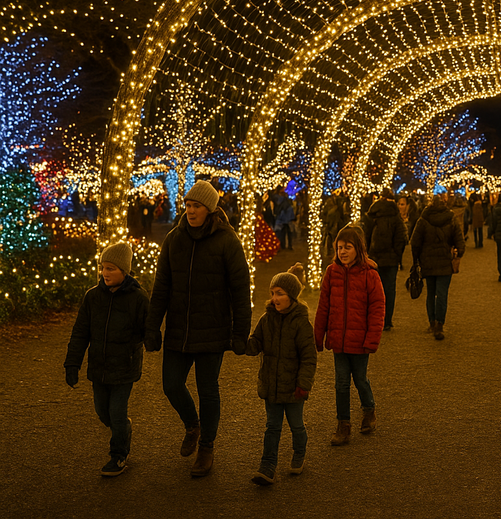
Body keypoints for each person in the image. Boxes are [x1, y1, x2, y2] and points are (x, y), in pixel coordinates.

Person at [145, 180, 252, 477]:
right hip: (179, 327)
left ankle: (207, 446)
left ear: (210, 209)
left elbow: (241, 289)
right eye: (188, 206)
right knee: (171, 385)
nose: (191, 211)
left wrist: (240, 332)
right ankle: (193, 425)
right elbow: (162, 287)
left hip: (213, 329)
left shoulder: (227, 241)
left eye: (197, 206)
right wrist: (152, 327)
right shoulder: (173, 239)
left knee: (208, 390)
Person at [64, 242, 149, 477]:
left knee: (117, 412)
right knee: (103, 412)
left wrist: (151, 340)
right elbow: (80, 332)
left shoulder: (138, 298)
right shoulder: (92, 297)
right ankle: (123, 430)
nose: (105, 273)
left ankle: (118, 455)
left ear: (124, 270)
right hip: (99, 367)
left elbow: (148, 329)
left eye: (111, 268)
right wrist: (72, 363)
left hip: (124, 367)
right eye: (103, 267)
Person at [314, 226, 385, 446]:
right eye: (340, 247)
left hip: (360, 340)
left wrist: (372, 339)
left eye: (348, 247)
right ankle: (343, 424)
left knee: (360, 379)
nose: (343, 251)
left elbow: (377, 308)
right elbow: (324, 305)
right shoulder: (331, 272)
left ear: (358, 249)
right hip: (339, 339)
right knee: (341, 383)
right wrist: (318, 334)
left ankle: (369, 410)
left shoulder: (370, 275)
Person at [246, 265, 317, 485]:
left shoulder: (301, 324)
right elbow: (255, 344)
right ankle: (267, 465)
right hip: (272, 385)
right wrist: (239, 341)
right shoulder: (267, 320)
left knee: (296, 424)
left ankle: (299, 452)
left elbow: (308, 357)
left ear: (292, 297)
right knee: (272, 427)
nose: (275, 298)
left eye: (280, 293)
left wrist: (303, 384)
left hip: (294, 387)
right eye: (273, 293)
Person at [410, 196, 465, 340]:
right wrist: (458, 253)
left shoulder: (423, 219)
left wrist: (416, 260)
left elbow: (415, 242)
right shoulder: (451, 218)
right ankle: (440, 324)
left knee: (431, 293)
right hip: (445, 262)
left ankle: (432, 321)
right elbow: (459, 239)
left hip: (428, 261)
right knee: (442, 294)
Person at [366, 188, 408, 330]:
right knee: (389, 290)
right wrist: (397, 255)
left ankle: (374, 318)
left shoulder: (372, 216)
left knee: (373, 290)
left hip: (374, 258)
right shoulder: (395, 216)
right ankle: (387, 321)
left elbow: (365, 235)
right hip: (390, 260)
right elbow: (401, 238)